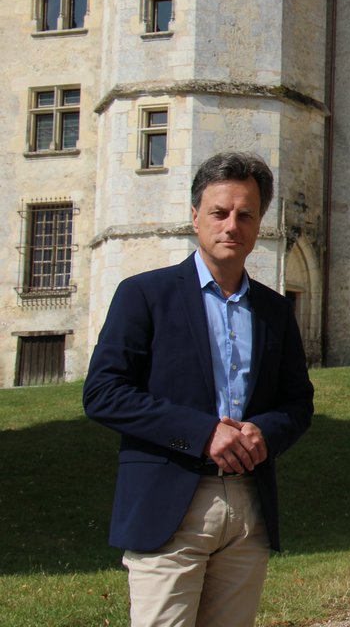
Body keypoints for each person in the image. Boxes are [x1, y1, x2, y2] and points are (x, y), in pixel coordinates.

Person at [83, 152, 315, 627]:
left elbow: (297, 402)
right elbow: (104, 392)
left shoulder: (274, 310)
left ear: (259, 224)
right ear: (195, 218)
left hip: (248, 505)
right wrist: (203, 432)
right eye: (219, 212)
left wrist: (265, 432)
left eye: (245, 214)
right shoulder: (145, 295)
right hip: (168, 504)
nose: (232, 225)